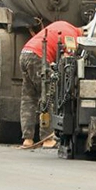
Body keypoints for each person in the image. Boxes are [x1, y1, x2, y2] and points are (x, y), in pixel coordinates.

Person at [19, 20, 82, 149]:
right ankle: (47, 139)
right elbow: (68, 59)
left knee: (28, 98)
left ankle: (27, 138)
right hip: (38, 58)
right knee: (48, 97)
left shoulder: (62, 25)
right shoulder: (72, 35)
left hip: (25, 53)